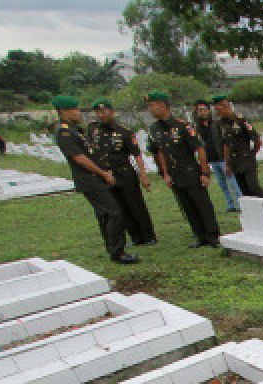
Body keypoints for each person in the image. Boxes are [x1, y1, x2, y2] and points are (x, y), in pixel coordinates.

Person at [50, 96, 137, 265]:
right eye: (74, 110)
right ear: (63, 112)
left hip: (94, 177)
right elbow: (80, 158)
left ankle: (113, 248)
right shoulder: (64, 132)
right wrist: (103, 173)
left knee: (105, 214)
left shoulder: (75, 129)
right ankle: (118, 251)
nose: (77, 113)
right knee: (113, 212)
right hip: (89, 179)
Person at [146, 91, 220, 248]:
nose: (150, 110)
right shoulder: (154, 129)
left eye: (152, 106)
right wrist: (165, 174)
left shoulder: (182, 126)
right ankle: (200, 236)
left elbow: (199, 148)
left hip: (191, 172)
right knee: (187, 207)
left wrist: (205, 172)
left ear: (162, 105)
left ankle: (213, 236)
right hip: (174, 175)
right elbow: (159, 152)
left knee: (202, 205)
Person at [88, 98, 157, 247]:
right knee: (120, 208)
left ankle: (149, 235)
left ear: (112, 112)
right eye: (98, 112)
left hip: (125, 173)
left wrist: (143, 175)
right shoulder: (93, 130)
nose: (101, 115)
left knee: (136, 205)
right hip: (106, 175)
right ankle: (136, 237)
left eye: (104, 111)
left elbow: (136, 154)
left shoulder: (123, 131)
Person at [213, 94, 263, 199]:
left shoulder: (240, 120)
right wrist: (227, 164)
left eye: (218, 109)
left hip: (246, 159)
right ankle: (255, 214)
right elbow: (225, 145)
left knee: (254, 187)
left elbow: (257, 140)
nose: (217, 112)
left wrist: (252, 154)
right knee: (246, 192)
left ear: (226, 106)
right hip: (234, 162)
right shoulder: (219, 124)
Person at [195, 100, 242, 212]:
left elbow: (225, 141)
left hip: (222, 158)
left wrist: (227, 160)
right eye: (199, 110)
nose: (202, 112)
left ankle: (241, 204)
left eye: (204, 110)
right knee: (222, 184)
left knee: (233, 182)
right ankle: (230, 204)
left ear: (208, 110)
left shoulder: (217, 123)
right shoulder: (197, 127)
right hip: (211, 160)